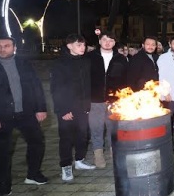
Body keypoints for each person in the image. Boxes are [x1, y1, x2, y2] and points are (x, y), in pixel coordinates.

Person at [0, 36, 48, 196]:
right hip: (0, 117)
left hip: (26, 112)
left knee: (37, 142)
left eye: (6, 46)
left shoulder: (23, 64)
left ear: (14, 47)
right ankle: (4, 184)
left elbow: (36, 85)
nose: (2, 49)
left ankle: (33, 174)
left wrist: (40, 108)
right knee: (1, 151)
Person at [51, 34, 95, 182]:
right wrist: (63, 110)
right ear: (69, 46)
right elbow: (56, 88)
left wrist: (87, 105)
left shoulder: (85, 61)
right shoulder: (60, 63)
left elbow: (88, 84)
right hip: (67, 108)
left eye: (83, 45)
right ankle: (66, 167)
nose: (82, 48)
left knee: (83, 135)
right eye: (79, 45)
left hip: (83, 106)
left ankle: (80, 160)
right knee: (66, 138)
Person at [87, 31, 128, 168]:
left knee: (113, 128)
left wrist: (123, 98)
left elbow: (125, 80)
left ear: (114, 43)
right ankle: (98, 155)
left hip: (114, 100)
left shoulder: (120, 58)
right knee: (96, 128)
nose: (107, 42)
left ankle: (114, 153)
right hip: (95, 100)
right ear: (99, 41)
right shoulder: (90, 57)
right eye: (104, 39)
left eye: (111, 40)